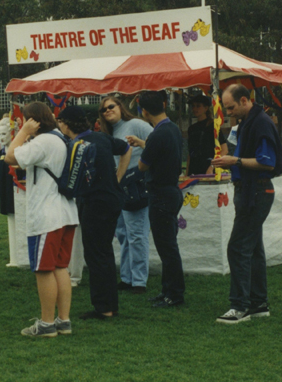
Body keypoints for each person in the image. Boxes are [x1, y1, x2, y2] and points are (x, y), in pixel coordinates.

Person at [210, 84, 282, 324]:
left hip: (256, 191)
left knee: (238, 247)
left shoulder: (260, 123)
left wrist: (235, 161)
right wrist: (234, 162)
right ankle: (258, 303)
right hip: (252, 190)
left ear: (244, 100)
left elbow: (267, 162)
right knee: (253, 248)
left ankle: (239, 307)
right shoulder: (249, 122)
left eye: (231, 107)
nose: (228, 113)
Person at [5, 102, 79, 337]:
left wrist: (23, 132)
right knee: (60, 267)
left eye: (24, 119)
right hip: (66, 213)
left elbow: (9, 157)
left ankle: (46, 324)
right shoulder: (60, 138)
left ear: (33, 120)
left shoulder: (43, 141)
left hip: (47, 216)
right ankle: (63, 320)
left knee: (44, 269)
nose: (21, 122)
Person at [56, 106, 131, 320]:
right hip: (111, 199)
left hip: (95, 202)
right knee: (104, 252)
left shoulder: (78, 145)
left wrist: (117, 176)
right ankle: (109, 305)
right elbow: (126, 148)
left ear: (66, 124)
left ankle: (104, 308)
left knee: (96, 254)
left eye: (60, 121)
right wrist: (117, 177)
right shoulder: (101, 137)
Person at [125, 91, 185, 308]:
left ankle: (174, 294)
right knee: (168, 244)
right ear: (163, 105)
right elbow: (158, 149)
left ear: (144, 112)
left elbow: (142, 165)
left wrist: (143, 148)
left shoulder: (157, 135)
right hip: (172, 191)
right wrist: (143, 143)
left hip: (160, 194)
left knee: (166, 248)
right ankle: (167, 290)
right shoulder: (172, 129)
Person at [98, 96, 153, 294]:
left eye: (111, 106)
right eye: (103, 109)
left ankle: (139, 281)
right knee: (123, 234)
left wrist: (140, 143)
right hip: (118, 189)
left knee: (137, 235)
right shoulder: (108, 133)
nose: (107, 111)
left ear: (120, 107)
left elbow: (158, 145)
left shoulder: (136, 124)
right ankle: (127, 278)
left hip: (136, 186)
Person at [186, 95, 229, 176]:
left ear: (206, 108)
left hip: (208, 171)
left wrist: (212, 166)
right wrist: (187, 173)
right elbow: (190, 153)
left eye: (198, 106)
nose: (195, 109)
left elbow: (224, 150)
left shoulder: (213, 126)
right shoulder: (191, 129)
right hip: (193, 172)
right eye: (193, 106)